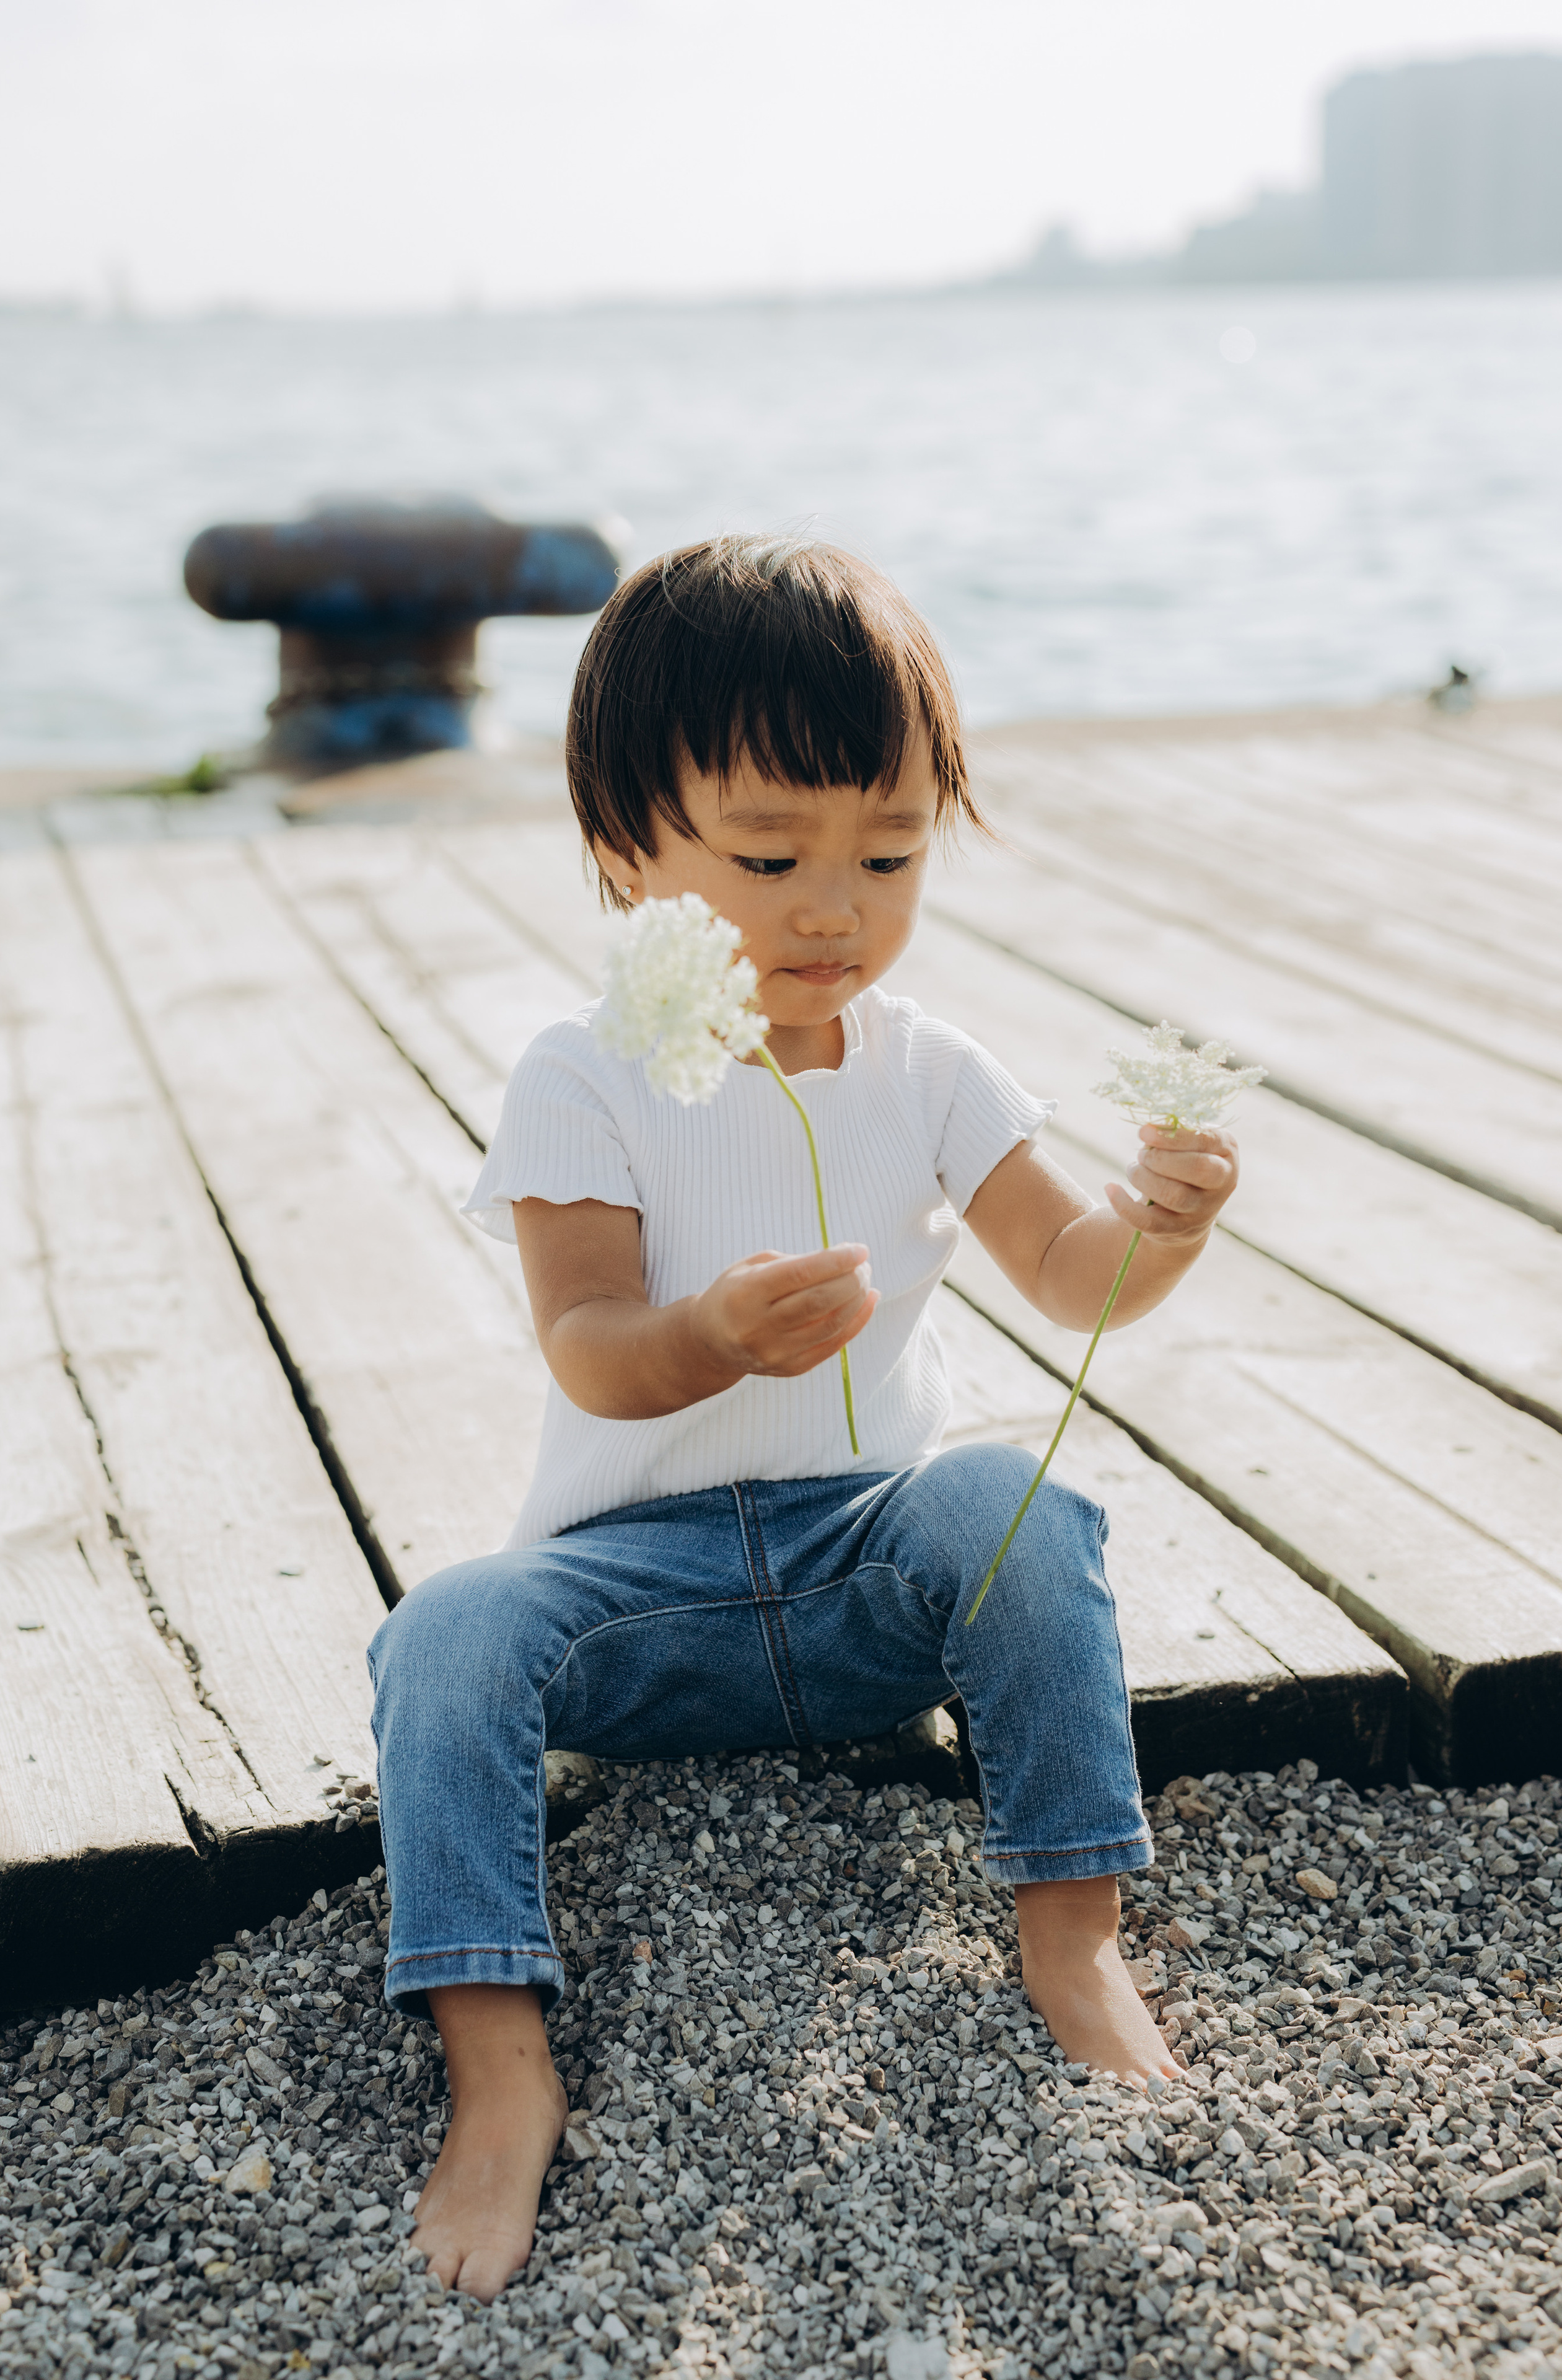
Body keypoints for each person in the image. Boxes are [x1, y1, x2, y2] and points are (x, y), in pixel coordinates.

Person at [368, 534, 1244, 2299]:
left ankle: (1072, 1937)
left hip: (865, 1576)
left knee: (1016, 1505)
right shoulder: (585, 1073)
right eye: (768, 857)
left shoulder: (927, 1065)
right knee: (445, 1633)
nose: (831, 907)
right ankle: (496, 2060)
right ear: (629, 856)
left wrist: (1163, 1226)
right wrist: (706, 1334)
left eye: (890, 852)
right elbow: (593, 1349)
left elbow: (1066, 1277)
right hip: (637, 1599)